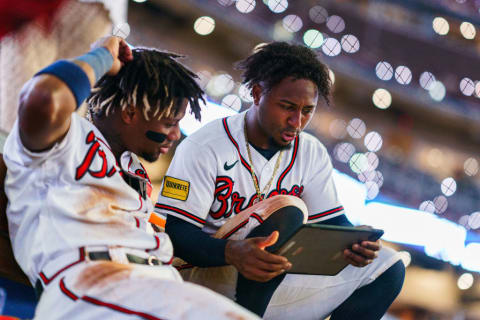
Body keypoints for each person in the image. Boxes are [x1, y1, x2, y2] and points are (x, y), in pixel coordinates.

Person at [2, 36, 259, 320]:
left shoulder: (134, 170)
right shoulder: (64, 139)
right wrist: (102, 57)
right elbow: (43, 97)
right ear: (130, 112)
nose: (175, 135)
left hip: (154, 281)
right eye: (169, 123)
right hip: (93, 282)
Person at [155, 42, 406, 319]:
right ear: (258, 93)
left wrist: (357, 243)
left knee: (387, 266)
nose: (297, 121)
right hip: (202, 275)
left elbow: (332, 225)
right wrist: (232, 252)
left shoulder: (310, 151)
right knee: (286, 210)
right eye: (287, 107)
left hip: (270, 278)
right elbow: (176, 233)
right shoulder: (205, 146)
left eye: (307, 110)